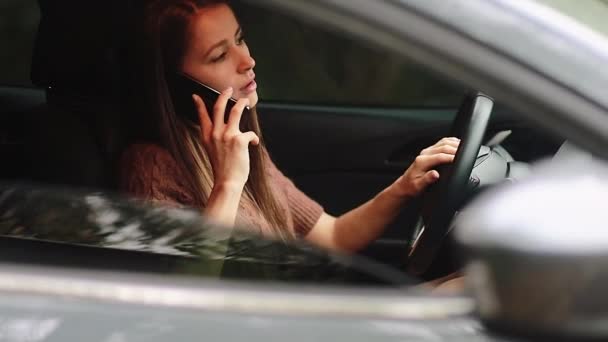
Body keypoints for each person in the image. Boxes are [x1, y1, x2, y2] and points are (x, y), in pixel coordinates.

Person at [120, 0, 459, 253]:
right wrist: (227, 183)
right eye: (219, 56)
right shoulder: (152, 169)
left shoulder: (243, 145)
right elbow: (186, 295)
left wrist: (405, 186)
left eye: (240, 39)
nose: (247, 61)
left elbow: (334, 236)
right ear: (178, 85)